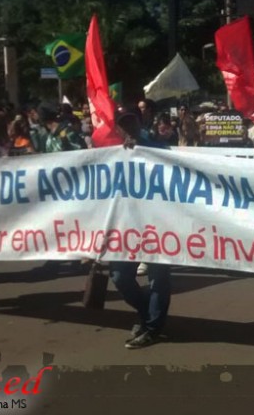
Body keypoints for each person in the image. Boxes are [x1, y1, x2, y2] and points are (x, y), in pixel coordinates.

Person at [110, 109, 172, 349]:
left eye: (131, 122)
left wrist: (143, 149)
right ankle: (147, 314)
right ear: (117, 129)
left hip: (159, 224)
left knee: (159, 278)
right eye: (123, 125)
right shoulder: (111, 155)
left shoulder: (156, 148)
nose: (128, 128)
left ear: (139, 123)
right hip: (126, 226)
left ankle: (153, 327)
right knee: (120, 277)